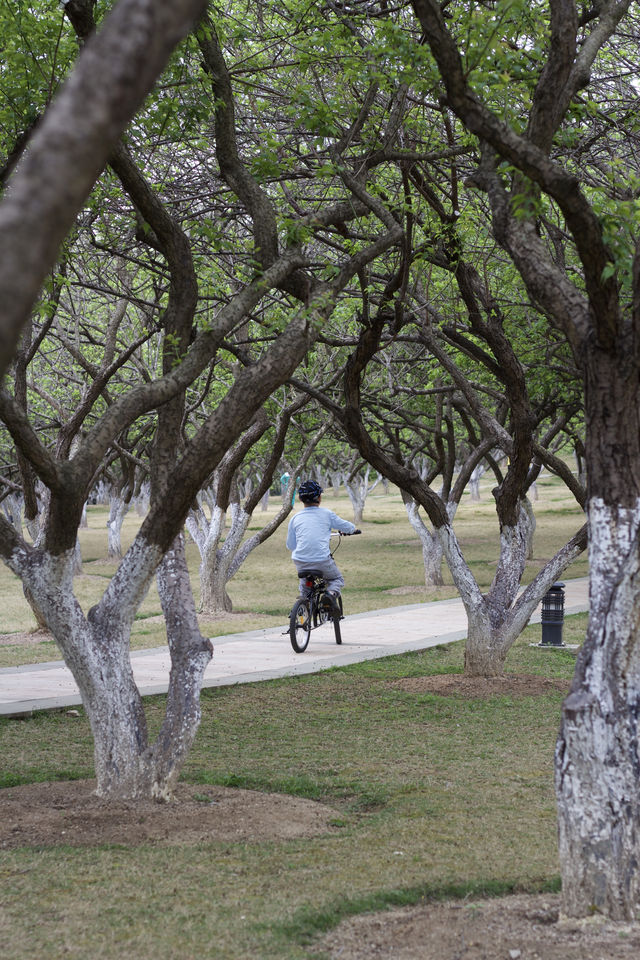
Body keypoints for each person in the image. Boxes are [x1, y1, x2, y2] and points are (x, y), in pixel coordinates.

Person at [286, 479, 359, 599]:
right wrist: (353, 529)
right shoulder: (327, 514)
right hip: (321, 560)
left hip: (300, 561)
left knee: (305, 583)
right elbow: (346, 526)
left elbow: (290, 545)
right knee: (336, 579)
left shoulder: (295, 518)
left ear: (300, 499)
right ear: (319, 498)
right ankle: (329, 595)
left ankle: (303, 605)